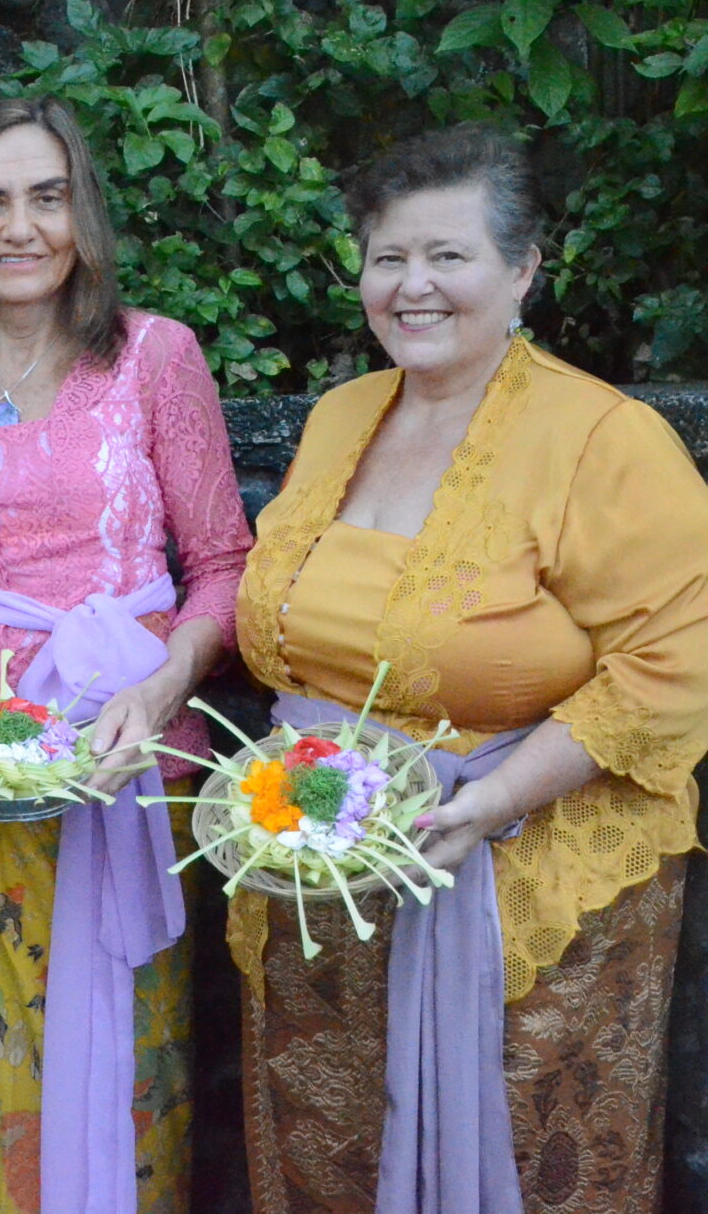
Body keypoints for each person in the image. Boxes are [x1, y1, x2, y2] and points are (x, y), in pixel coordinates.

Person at [231, 125, 708, 1212]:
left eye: (447, 257)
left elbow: (671, 661)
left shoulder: (603, 438)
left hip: (520, 895)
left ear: (522, 268)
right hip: (325, 884)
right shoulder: (339, 416)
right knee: (332, 1166)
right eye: (387, 258)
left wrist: (483, 800)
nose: (412, 287)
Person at [0, 96, 252, 1213]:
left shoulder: (153, 358)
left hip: (125, 754)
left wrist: (165, 681)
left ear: (83, 215)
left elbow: (221, 559)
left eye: (44, 196)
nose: (15, 227)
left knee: (125, 1062)